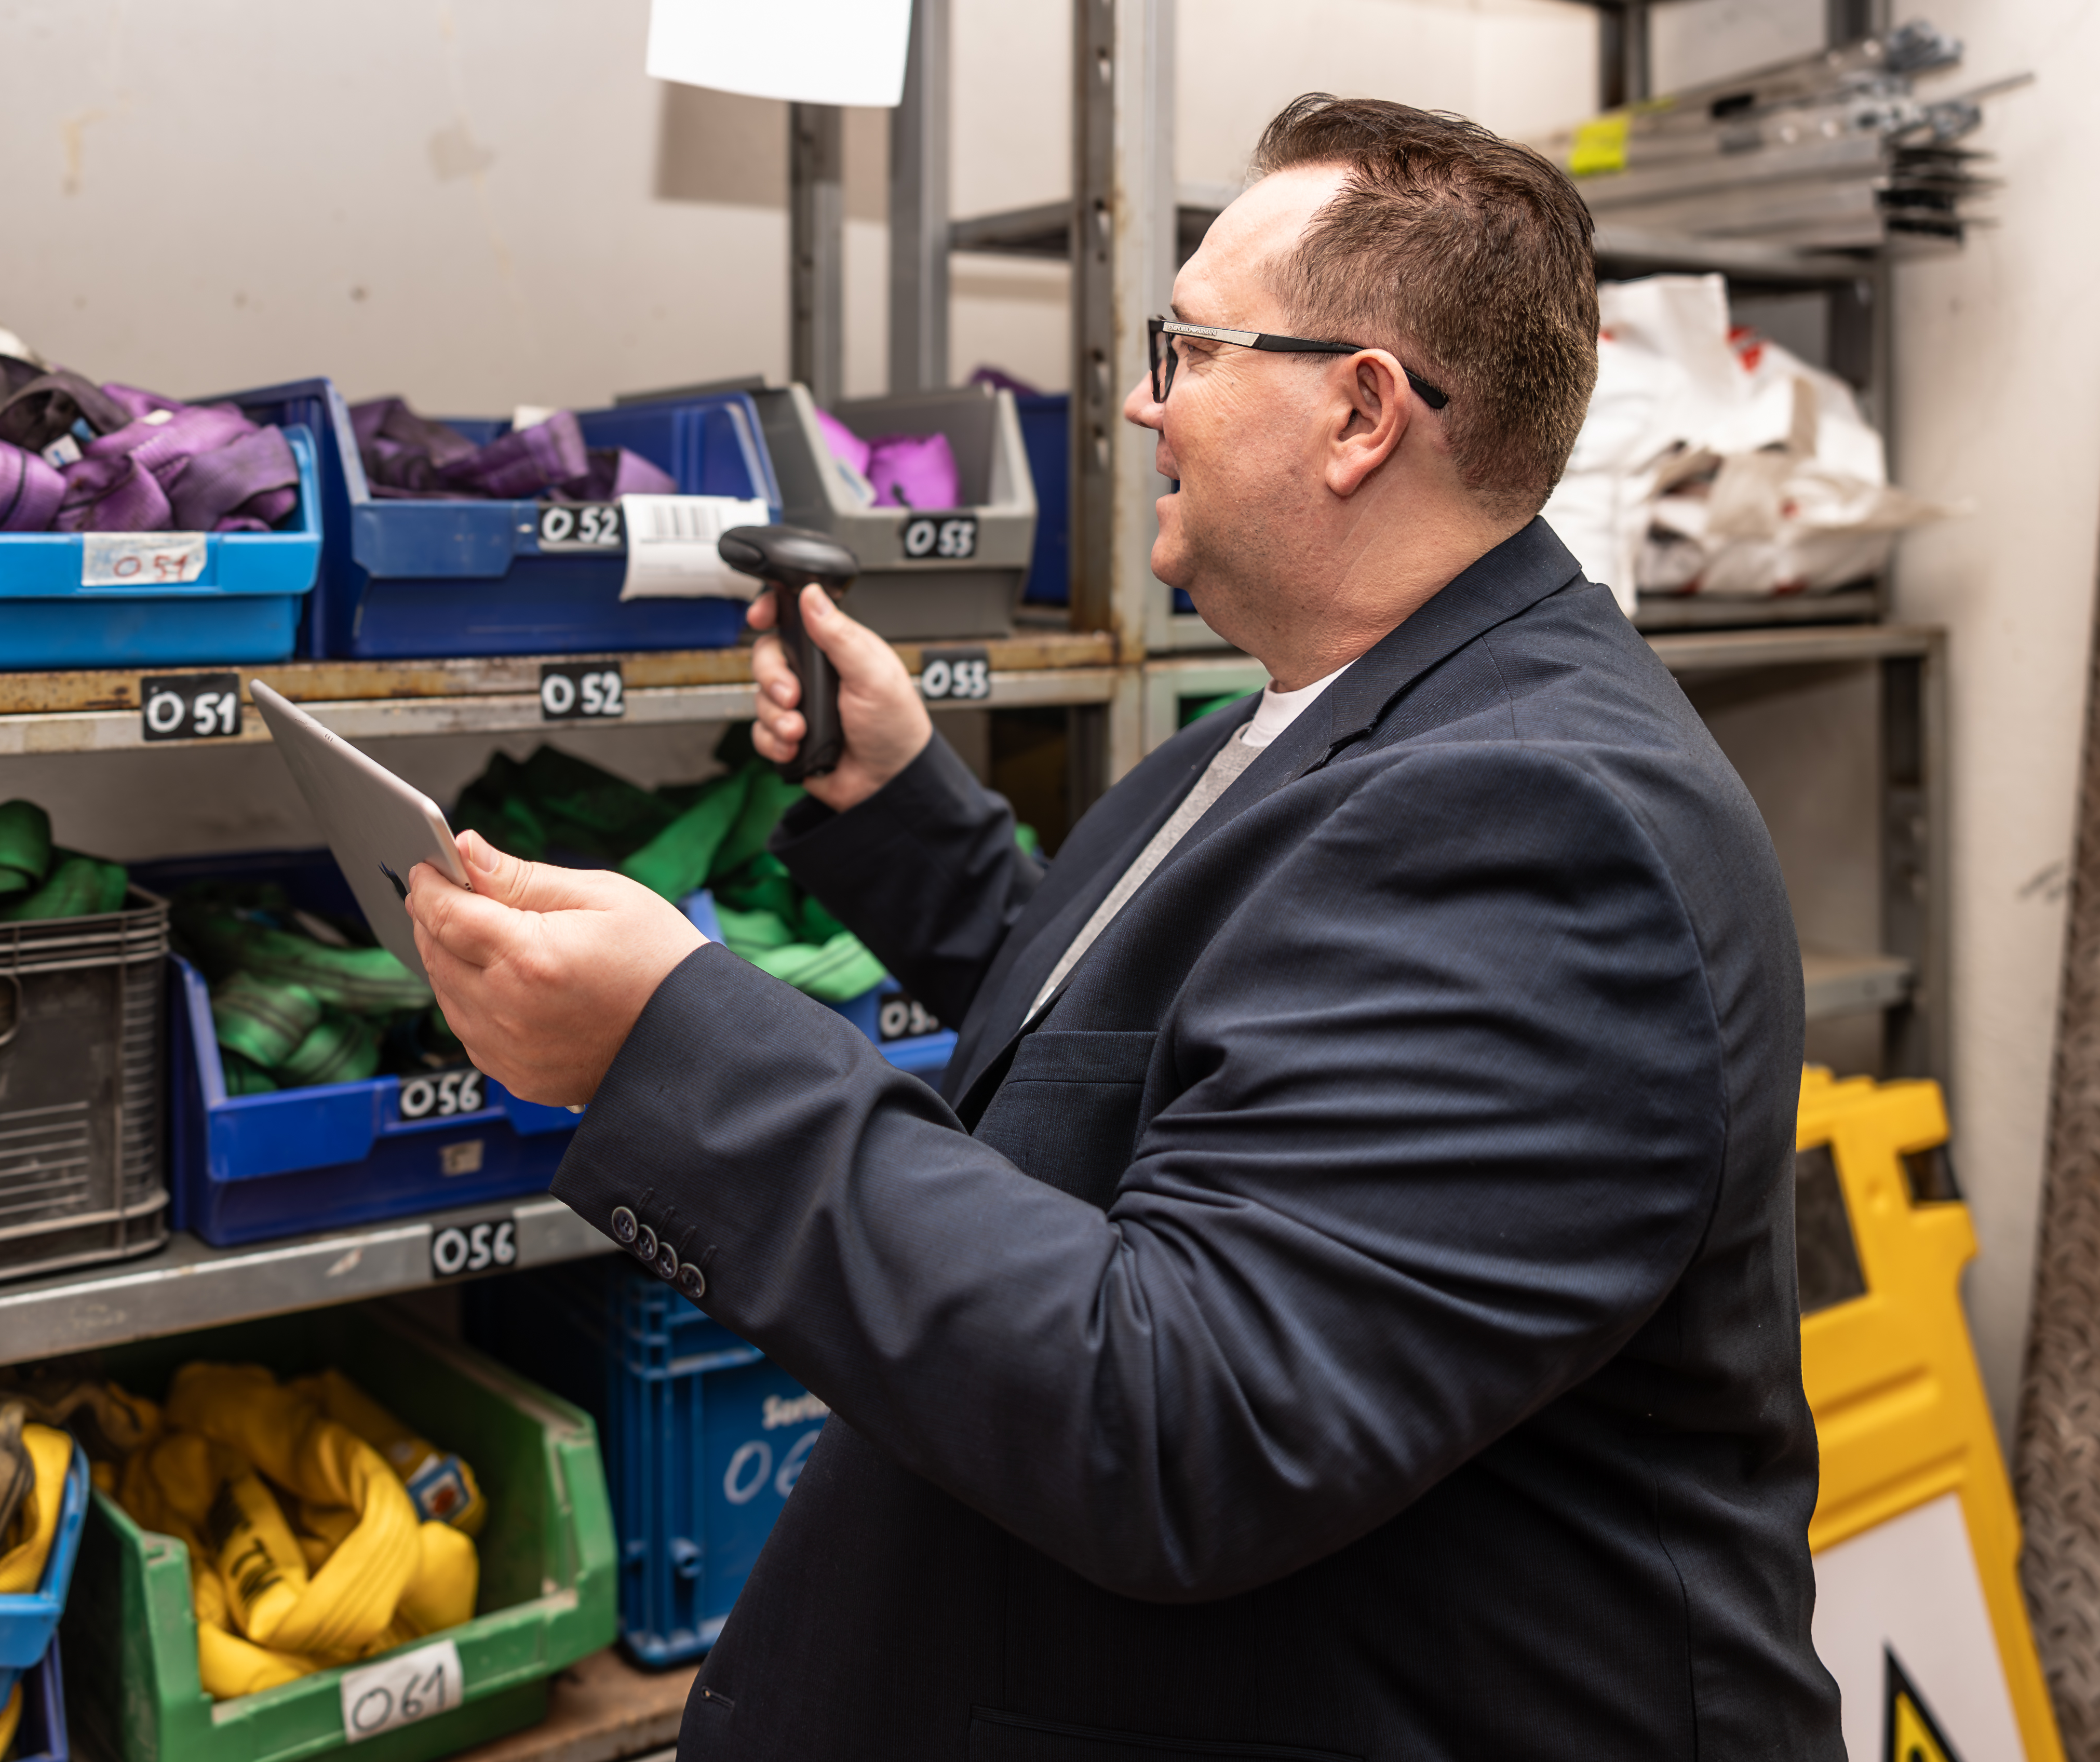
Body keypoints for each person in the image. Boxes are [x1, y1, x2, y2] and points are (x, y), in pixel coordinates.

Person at [408, 94, 1842, 1760]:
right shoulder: (1334, 715)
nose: (1147, 399)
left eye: (1190, 349)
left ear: (1358, 413)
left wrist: (674, 1046)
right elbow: (1181, 1055)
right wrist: (900, 806)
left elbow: (1189, 1421)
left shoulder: (1542, 824)